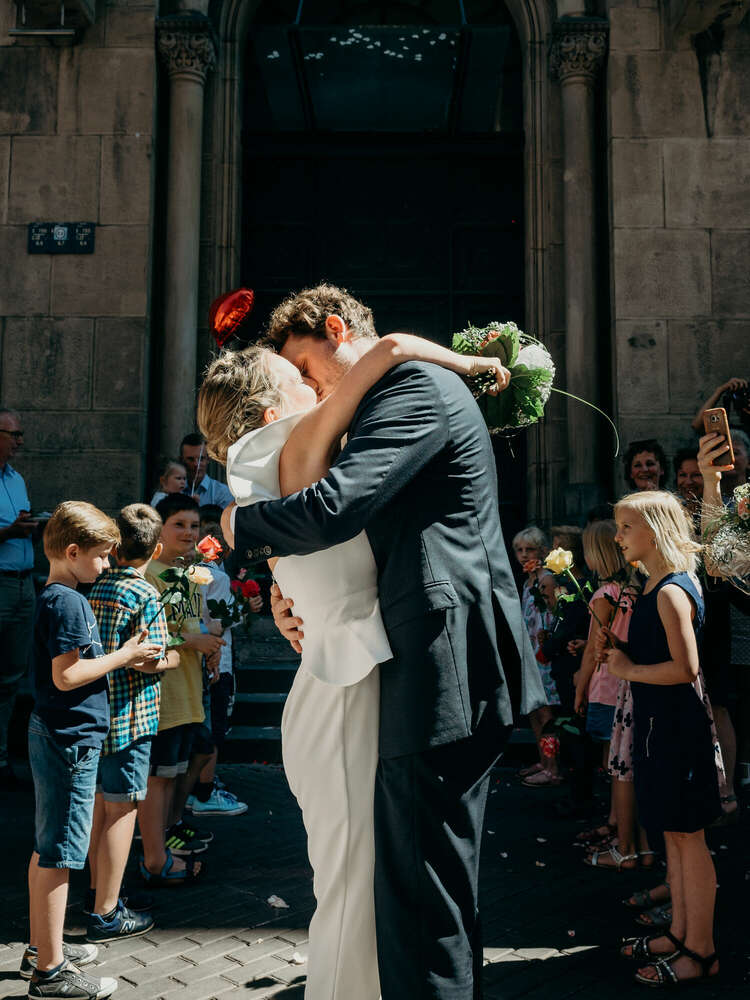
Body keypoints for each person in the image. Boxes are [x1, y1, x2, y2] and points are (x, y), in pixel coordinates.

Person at [207, 283, 546, 1000]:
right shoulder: (375, 401)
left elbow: (338, 509)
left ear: (335, 330)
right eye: (295, 379)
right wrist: (286, 585)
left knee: (422, 893)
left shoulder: (414, 390)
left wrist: (240, 530)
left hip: (441, 664)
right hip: (406, 664)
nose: (313, 385)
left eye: (308, 365)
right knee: (420, 888)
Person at [24, 501, 162, 999]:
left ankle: (44, 945)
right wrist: (125, 655)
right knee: (60, 852)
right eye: (102, 557)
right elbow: (67, 676)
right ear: (73, 551)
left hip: (55, 732)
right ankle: (51, 973)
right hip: (71, 739)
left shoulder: (57, 596)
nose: (107, 566)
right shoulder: (69, 602)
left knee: (47, 849)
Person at [598, 491, 720, 986]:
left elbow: (686, 668)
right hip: (659, 728)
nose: (618, 537)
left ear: (653, 530)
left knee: (690, 840)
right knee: (676, 835)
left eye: (626, 528)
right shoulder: (654, 584)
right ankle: (681, 932)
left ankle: (702, 951)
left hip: (675, 730)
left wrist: (628, 667)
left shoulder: (670, 590)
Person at [86, 504, 179, 941]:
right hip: (130, 715)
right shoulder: (146, 594)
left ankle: (95, 891)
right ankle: (107, 910)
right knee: (122, 809)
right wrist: (174, 656)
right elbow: (149, 659)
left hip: (95, 712)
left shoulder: (94, 583)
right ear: (157, 547)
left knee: (99, 806)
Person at [138, 495, 223, 886]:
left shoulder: (189, 574)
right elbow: (149, 638)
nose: (189, 533)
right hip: (164, 693)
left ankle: (166, 835)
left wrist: (209, 649)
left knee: (175, 770)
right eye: (179, 525)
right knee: (158, 776)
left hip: (189, 690)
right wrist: (193, 643)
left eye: (194, 525)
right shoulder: (152, 574)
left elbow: (193, 624)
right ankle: (154, 856)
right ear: (159, 530)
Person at [574, 520, 645, 871]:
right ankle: (617, 822)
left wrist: (580, 685)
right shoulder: (629, 591)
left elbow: (593, 650)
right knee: (621, 758)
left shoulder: (604, 596)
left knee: (613, 760)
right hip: (627, 681)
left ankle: (619, 826)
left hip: (606, 683)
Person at [186, 505, 250, 817]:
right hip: (216, 660)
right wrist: (245, 607)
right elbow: (222, 618)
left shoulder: (189, 571)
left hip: (195, 659)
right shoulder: (213, 575)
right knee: (213, 730)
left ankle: (194, 788)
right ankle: (204, 792)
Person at [0, 407, 37, 787]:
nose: (19, 441)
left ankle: (1, 757)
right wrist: (9, 532)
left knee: (11, 677)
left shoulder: (16, 480)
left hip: (24, 584)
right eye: (13, 434)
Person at [511, 527, 560, 786]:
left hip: (544, 654)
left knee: (546, 713)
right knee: (534, 710)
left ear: (542, 551)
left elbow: (553, 615)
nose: (523, 554)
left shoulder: (546, 579)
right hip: (529, 653)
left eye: (529, 549)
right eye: (519, 550)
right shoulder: (527, 581)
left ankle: (553, 767)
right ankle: (543, 759)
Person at [180, 433, 233, 508]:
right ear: (181, 460)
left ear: (208, 459)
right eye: (190, 459)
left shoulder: (222, 492)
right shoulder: (173, 490)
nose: (196, 464)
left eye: (201, 459)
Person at [673, 448, 703, 520]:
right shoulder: (672, 510)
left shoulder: (723, 509)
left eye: (696, 475)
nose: (688, 482)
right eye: (683, 475)